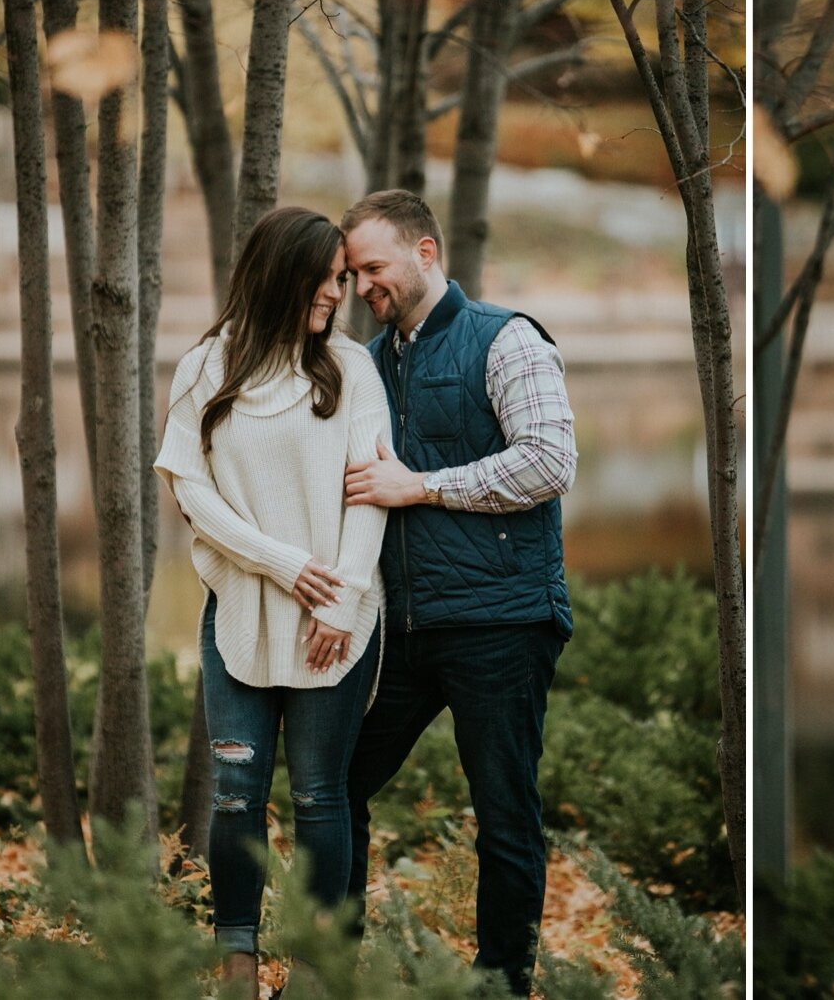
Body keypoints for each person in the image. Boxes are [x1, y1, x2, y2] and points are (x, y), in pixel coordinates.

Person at [334, 189, 576, 998]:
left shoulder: (506, 340)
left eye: (374, 266)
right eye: (353, 272)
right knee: (331, 786)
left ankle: (499, 986)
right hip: (401, 631)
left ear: (426, 251)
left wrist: (422, 487)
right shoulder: (367, 362)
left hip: (501, 623)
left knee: (504, 815)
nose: (363, 284)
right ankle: (331, 969)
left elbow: (549, 462)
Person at [154, 207, 390, 996]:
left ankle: (319, 971)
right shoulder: (206, 367)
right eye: (327, 277)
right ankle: (238, 965)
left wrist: (342, 598)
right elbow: (190, 487)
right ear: (283, 272)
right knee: (234, 791)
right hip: (243, 617)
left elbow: (370, 495)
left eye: (344, 279)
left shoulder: (352, 368)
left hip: (335, 622)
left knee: (322, 794)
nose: (338, 293)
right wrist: (284, 565)